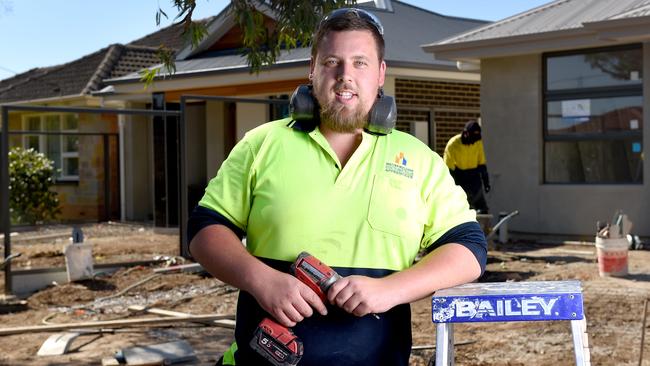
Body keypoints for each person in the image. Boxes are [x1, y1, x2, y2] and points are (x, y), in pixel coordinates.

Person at [188, 8, 487, 366]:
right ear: (312, 69)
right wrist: (261, 279)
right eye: (333, 61)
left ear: (380, 74)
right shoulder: (262, 145)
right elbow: (205, 230)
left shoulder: (418, 160)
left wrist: (389, 290)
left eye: (360, 62)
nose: (346, 76)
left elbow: (469, 250)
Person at [443, 120, 491, 213]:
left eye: (476, 139)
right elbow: (448, 170)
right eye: (473, 139)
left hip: (474, 176)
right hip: (459, 176)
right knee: (464, 206)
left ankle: (483, 225)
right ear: (466, 134)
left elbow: (481, 163)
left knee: (482, 207)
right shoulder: (453, 144)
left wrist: (486, 181)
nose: (474, 142)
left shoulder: (478, 142)